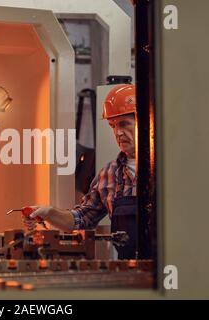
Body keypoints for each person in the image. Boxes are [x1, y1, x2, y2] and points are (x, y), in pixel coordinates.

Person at [23, 84, 149, 259]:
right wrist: (49, 213)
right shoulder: (110, 174)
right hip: (131, 271)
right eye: (113, 126)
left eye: (124, 124)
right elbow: (81, 219)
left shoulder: (170, 169)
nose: (117, 133)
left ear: (147, 122)